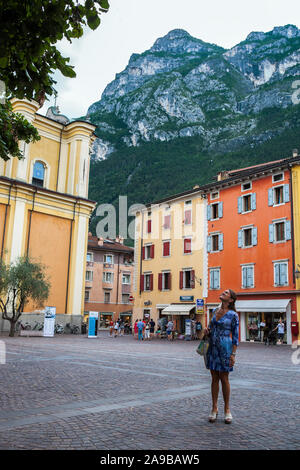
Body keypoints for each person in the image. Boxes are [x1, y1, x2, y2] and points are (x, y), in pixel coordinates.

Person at [203, 288, 239, 424]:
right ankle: (214, 408)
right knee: (214, 377)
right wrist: (207, 330)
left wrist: (233, 354)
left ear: (230, 300)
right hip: (212, 346)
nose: (222, 293)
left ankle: (227, 409)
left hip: (225, 347)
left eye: (225, 293)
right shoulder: (214, 311)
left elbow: (235, 337)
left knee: (224, 378)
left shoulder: (233, 315)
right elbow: (211, 327)